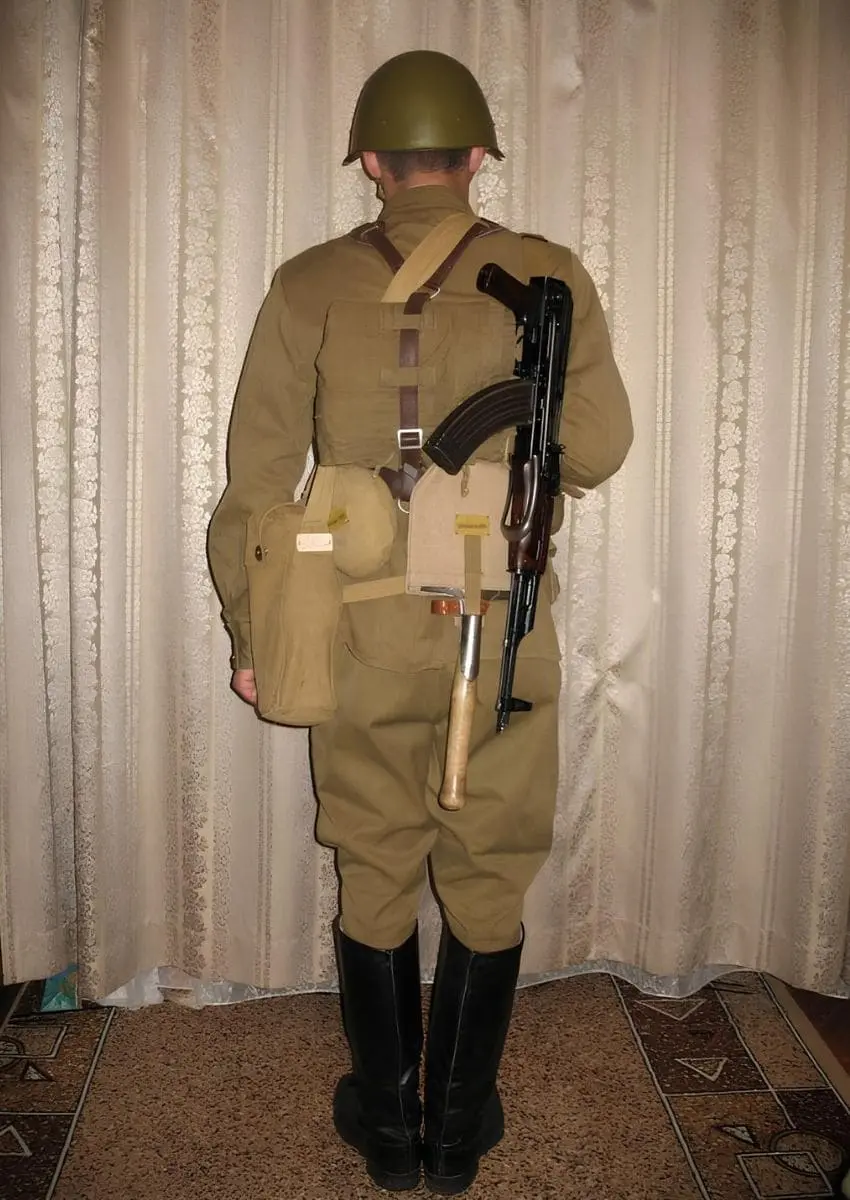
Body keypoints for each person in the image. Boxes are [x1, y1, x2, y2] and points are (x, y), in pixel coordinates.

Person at [208, 49, 632, 1196]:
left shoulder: (305, 284)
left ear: (371, 165)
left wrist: (257, 639)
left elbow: (252, 487)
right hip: (496, 623)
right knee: (489, 871)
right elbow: (596, 451)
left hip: (348, 627)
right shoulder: (548, 271)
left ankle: (388, 1129)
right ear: (480, 154)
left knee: (374, 862)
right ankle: (457, 1131)